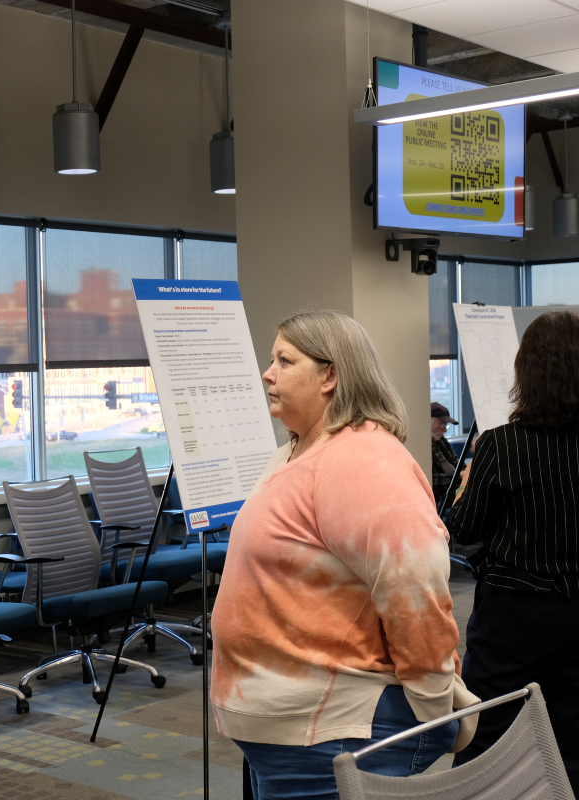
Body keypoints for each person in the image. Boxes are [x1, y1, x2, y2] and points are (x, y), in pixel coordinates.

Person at [210, 309, 478, 800]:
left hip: (333, 732)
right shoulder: (300, 449)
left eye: (285, 361)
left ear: (330, 375)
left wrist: (435, 701)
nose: (267, 373)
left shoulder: (361, 459)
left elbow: (414, 585)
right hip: (295, 731)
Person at [449, 311, 579, 800]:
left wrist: (466, 489)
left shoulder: (500, 445)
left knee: (485, 733)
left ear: (525, 371)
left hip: (515, 614)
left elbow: (463, 532)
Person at [431, 402, 460, 505]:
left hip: (454, 487)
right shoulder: (421, 447)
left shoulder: (441, 440)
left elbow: (456, 462)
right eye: (442, 423)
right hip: (440, 496)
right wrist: (459, 476)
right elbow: (431, 480)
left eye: (446, 425)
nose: (444, 430)